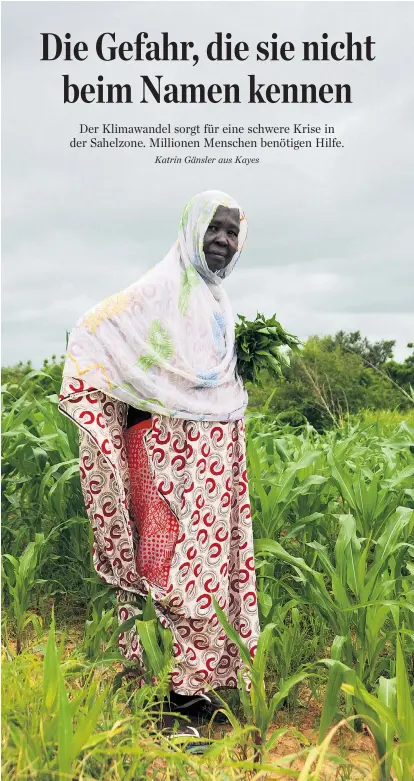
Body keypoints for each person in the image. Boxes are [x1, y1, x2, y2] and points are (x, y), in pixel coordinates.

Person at [59, 190, 260, 736]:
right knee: (166, 562)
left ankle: (196, 686)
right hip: (162, 452)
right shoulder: (159, 289)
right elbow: (92, 331)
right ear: (192, 230)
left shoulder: (217, 302)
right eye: (214, 229)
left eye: (232, 232)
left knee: (208, 564)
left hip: (212, 457)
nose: (222, 240)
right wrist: (140, 407)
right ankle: (164, 690)